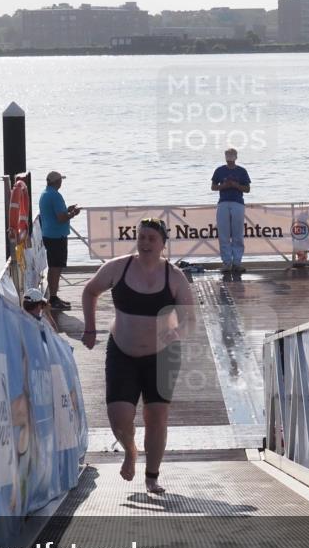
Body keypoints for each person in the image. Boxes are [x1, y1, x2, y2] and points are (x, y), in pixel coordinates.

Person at [81, 218, 196, 494]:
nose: (145, 243)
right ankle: (130, 450)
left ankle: (152, 476)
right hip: (123, 350)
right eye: (141, 237)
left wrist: (178, 332)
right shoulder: (118, 267)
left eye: (151, 239)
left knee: (156, 417)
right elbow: (89, 290)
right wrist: (89, 327)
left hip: (162, 355)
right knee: (119, 417)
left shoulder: (175, 276)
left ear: (162, 245)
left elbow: (189, 318)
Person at [38, 170, 81, 311]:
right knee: (56, 268)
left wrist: (67, 210)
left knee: (54, 267)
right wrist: (73, 213)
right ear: (57, 182)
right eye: (60, 180)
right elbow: (61, 218)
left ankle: (54, 297)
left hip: (49, 235)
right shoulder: (55, 196)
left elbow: (56, 213)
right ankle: (53, 298)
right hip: (56, 236)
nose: (61, 182)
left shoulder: (45, 194)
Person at [210, 148, 251, 273]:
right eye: (228, 157)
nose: (230, 160)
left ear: (236, 157)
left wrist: (235, 185)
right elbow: (213, 187)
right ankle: (227, 263)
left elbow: (247, 189)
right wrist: (224, 186)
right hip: (223, 202)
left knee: (238, 234)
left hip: (237, 202)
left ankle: (237, 262)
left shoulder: (242, 171)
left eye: (232, 157)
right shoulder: (219, 170)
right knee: (224, 234)